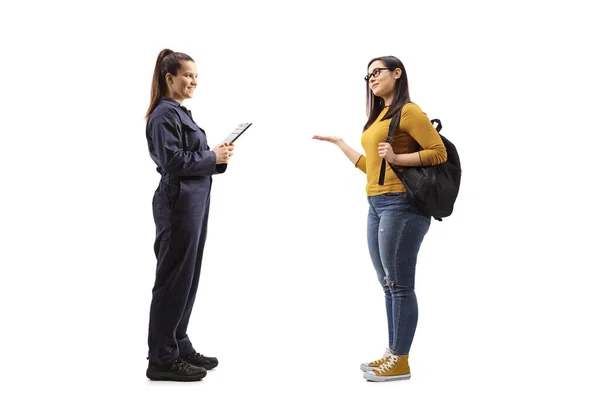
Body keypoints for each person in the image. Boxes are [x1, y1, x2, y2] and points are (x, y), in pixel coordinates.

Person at [313, 56, 447, 382]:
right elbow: (372, 167)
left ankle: (400, 361)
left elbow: (437, 151)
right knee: (388, 284)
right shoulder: (380, 117)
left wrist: (398, 156)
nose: (371, 79)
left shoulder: (410, 111)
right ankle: (392, 353)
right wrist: (341, 144)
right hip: (375, 204)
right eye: (368, 75)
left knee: (400, 286)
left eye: (378, 72)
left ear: (397, 73)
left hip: (401, 206)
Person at [144, 49, 234, 382]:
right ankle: (162, 358)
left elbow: (192, 158)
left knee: (188, 277)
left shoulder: (180, 112)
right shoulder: (163, 115)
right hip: (178, 204)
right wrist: (212, 156)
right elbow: (174, 162)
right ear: (170, 78)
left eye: (196, 76)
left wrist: (218, 159)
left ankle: (178, 344)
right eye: (187, 75)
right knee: (173, 280)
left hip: (194, 202)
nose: (193, 81)